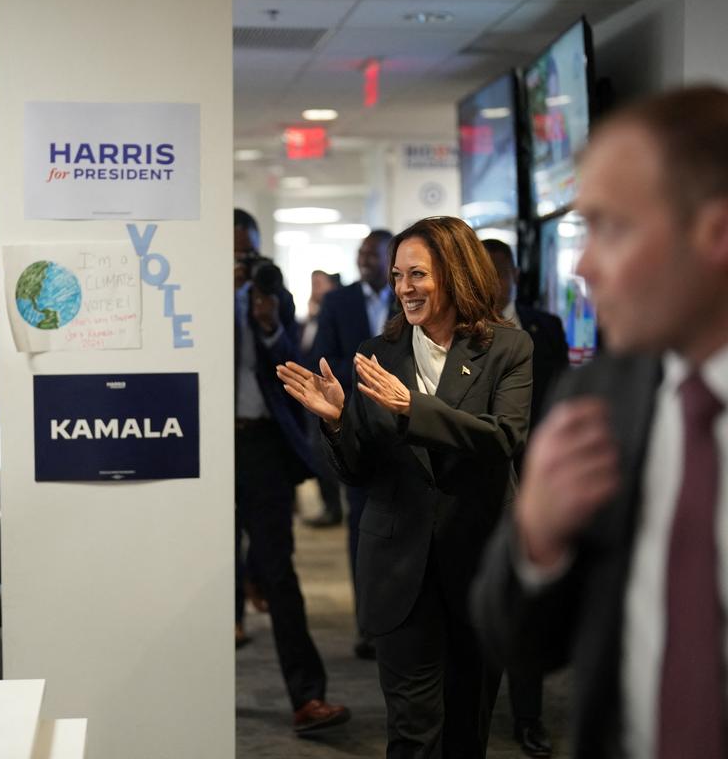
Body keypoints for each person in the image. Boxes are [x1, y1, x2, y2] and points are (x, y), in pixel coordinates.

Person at [473, 85, 728, 759]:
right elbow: (517, 641)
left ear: (717, 233)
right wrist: (536, 540)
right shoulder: (597, 400)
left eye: (611, 227)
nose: (583, 265)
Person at [278, 215, 533, 757]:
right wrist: (338, 421)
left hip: (478, 565)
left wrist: (411, 407)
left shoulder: (509, 348)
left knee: (467, 732)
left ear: (457, 274)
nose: (404, 289)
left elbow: (503, 438)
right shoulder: (378, 351)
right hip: (398, 572)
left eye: (418, 274)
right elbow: (360, 472)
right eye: (398, 276)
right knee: (412, 733)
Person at [232, 207, 350, 733]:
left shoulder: (269, 292)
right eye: (234, 251)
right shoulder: (181, 293)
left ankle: (307, 697)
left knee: (279, 570)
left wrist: (264, 316)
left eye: (248, 251)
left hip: (262, 446)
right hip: (198, 450)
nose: (243, 260)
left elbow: (286, 357)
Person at [483, 238, 568, 758]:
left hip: (533, 482)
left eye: (499, 272)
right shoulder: (462, 331)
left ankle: (529, 716)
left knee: (526, 599)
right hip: (480, 482)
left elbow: (558, 398)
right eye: (482, 272)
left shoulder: (545, 327)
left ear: (514, 273)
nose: (492, 282)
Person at [307, 228, 395, 659]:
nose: (364, 261)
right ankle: (368, 625)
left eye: (373, 254)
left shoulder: (411, 300)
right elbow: (322, 361)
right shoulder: (338, 302)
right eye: (360, 254)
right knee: (361, 530)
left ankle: (401, 621)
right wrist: (371, 372)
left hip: (405, 431)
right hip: (355, 431)